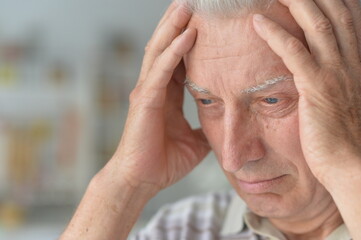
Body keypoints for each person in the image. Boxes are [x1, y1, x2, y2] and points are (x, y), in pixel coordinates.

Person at [59, 0, 361, 239]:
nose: (232, 157)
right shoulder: (182, 230)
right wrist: (125, 182)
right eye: (207, 101)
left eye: (272, 100)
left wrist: (346, 171)